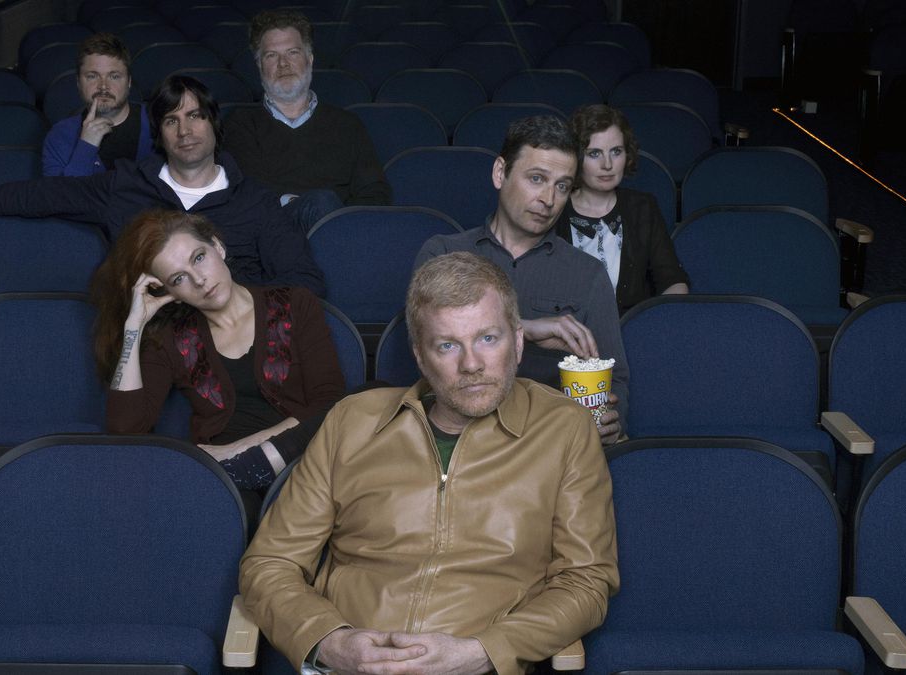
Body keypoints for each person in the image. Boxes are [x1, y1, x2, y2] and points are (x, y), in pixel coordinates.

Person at [240, 252, 618, 674]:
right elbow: (269, 565)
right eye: (447, 345)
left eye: (488, 338)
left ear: (518, 341)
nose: (471, 364)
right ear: (420, 356)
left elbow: (586, 582)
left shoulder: (564, 429)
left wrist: (483, 651)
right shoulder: (353, 421)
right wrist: (331, 641)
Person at [0, 75, 325, 297]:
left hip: (231, 345)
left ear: (214, 125)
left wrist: (237, 307)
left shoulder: (254, 200)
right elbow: (39, 196)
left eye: (195, 116)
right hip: (149, 341)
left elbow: (304, 282)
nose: (185, 131)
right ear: (160, 134)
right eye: (171, 121)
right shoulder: (126, 186)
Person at [95, 209, 344, 491]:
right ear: (170, 293)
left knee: (370, 396)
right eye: (178, 279)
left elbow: (329, 402)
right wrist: (134, 326)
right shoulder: (172, 339)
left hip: (301, 460)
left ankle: (254, 467)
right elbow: (125, 430)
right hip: (230, 485)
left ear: (218, 247)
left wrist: (244, 449)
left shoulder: (294, 303)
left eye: (199, 258)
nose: (199, 280)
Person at [415, 115, 628, 444]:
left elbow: (617, 380)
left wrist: (611, 421)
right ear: (500, 173)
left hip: (548, 443)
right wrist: (525, 329)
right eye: (537, 178)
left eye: (562, 186)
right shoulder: (443, 253)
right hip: (460, 436)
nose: (548, 199)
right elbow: (426, 346)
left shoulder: (587, 273)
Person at [222, 9, 391, 229]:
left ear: (309, 59)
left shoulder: (347, 124)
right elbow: (246, 191)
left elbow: (375, 192)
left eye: (292, 52)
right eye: (271, 55)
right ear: (260, 66)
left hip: (342, 231)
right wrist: (303, 205)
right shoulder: (240, 123)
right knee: (320, 202)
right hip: (272, 230)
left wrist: (340, 220)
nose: (283, 63)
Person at [555, 104, 689, 315]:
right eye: (594, 153)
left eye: (616, 152)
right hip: (566, 332)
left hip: (634, 330)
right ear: (576, 157)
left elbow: (673, 281)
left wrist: (655, 325)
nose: (607, 164)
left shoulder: (643, 207)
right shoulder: (554, 208)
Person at [41, 32, 154, 177]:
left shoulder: (159, 120)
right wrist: (86, 147)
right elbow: (59, 192)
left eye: (114, 76)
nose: (103, 86)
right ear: (78, 83)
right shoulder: (59, 136)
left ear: (129, 82)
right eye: (92, 76)